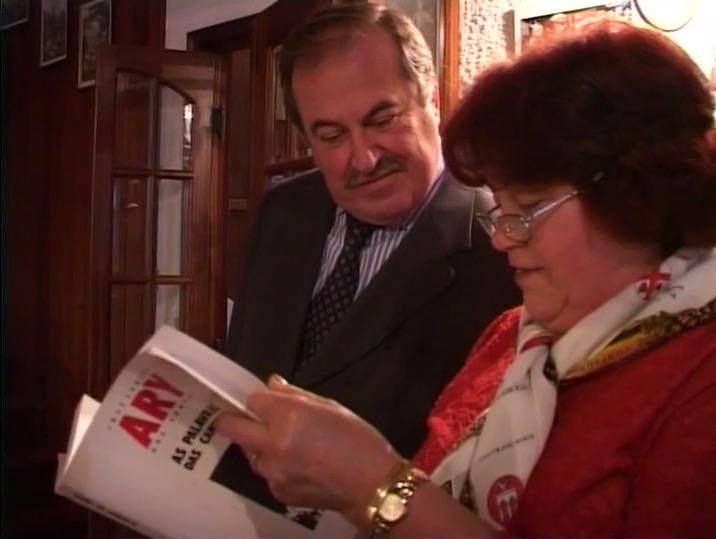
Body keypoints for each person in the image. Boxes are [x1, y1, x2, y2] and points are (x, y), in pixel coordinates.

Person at [216, 19, 716, 538]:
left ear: (634, 196)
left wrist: (373, 485)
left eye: (528, 207)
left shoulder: (698, 379)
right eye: (502, 206)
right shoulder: (510, 335)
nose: (502, 237)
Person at [225, 2, 520, 459]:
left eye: (382, 120)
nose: (363, 160)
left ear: (432, 100)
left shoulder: (505, 250)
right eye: (331, 136)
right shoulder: (282, 211)